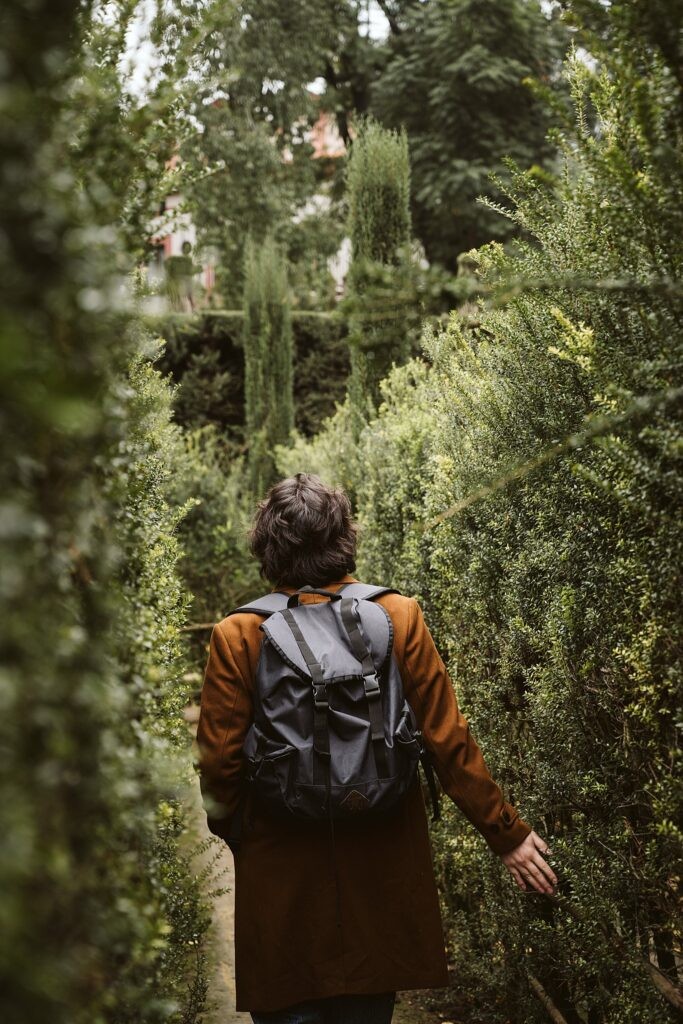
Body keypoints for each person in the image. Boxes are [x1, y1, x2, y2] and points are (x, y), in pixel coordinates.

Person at [196, 473, 557, 1024]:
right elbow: (447, 740)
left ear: (266, 549)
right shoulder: (398, 615)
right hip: (381, 866)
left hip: (282, 878)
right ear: (345, 538)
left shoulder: (238, 634)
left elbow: (219, 766)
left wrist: (248, 832)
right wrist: (506, 833)